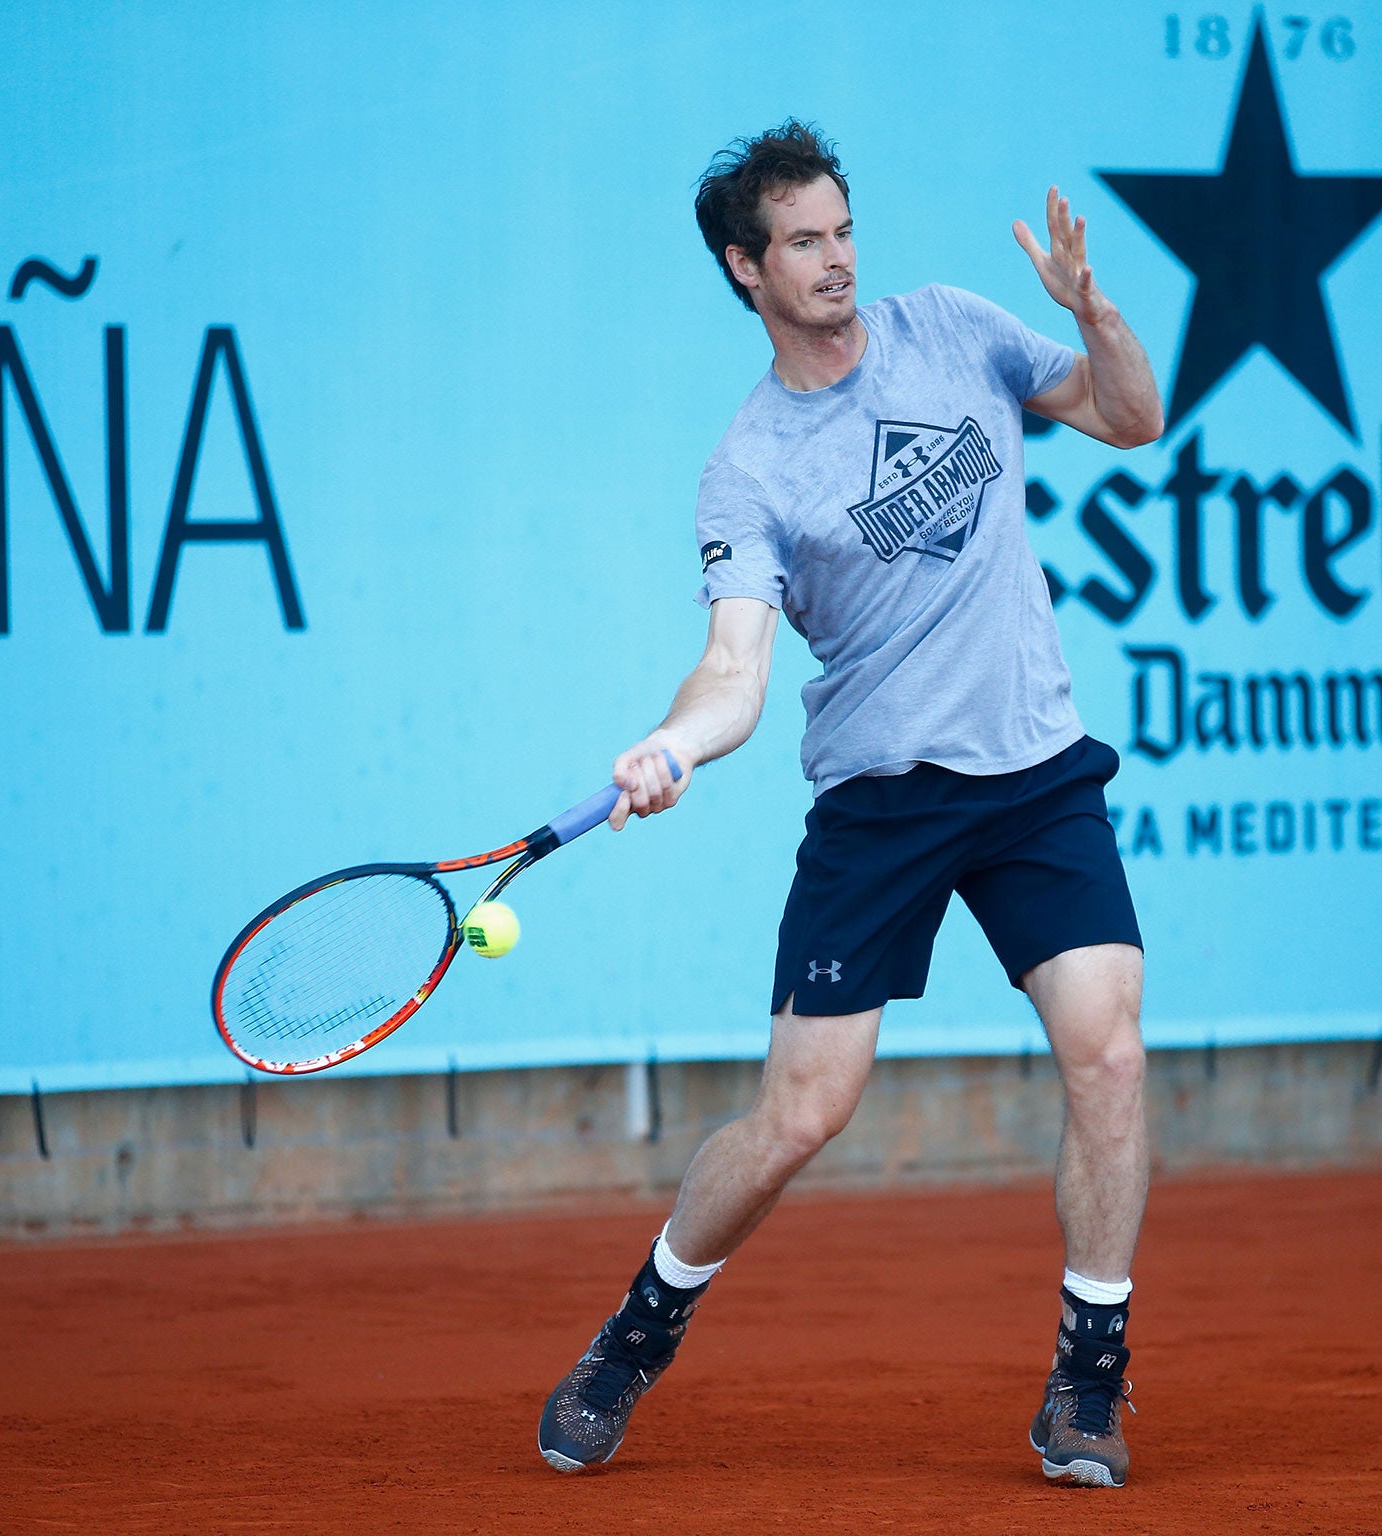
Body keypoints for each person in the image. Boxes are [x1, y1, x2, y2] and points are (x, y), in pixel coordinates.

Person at [538, 120, 1164, 1489]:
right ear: (744, 268)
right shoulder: (751, 467)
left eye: (841, 230)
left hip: (1036, 773)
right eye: (802, 243)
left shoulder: (954, 325)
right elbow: (736, 668)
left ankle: (1087, 1383)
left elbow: (1132, 415)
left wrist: (1095, 313)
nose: (834, 261)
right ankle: (642, 1330)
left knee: (1108, 1050)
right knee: (802, 1116)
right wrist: (673, 744)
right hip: (884, 801)